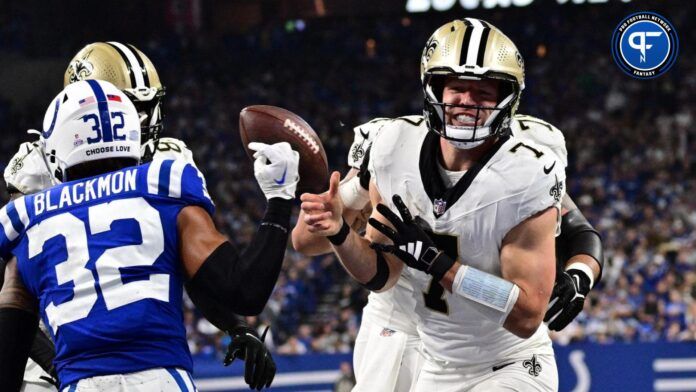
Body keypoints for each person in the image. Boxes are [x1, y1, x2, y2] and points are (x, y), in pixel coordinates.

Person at [292, 19, 603, 392]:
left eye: (483, 92)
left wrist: (580, 274)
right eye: (456, 88)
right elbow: (334, 251)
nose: (467, 104)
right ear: (433, 88)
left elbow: (575, 238)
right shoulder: (392, 148)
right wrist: (337, 223)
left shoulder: (531, 164)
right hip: (414, 329)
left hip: (502, 353)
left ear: (509, 101)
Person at [3, 41, 278, 391]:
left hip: (114, 355)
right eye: (133, 107)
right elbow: (16, 291)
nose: (145, 121)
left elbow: (186, 259)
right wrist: (56, 362)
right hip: (46, 344)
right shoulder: (38, 168)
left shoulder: (166, 159)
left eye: (149, 107)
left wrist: (233, 326)